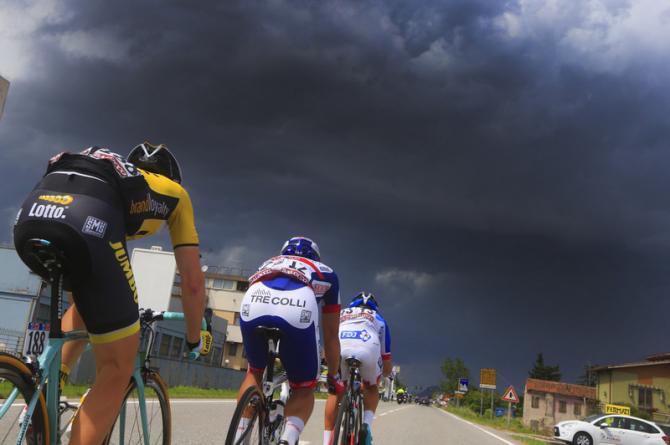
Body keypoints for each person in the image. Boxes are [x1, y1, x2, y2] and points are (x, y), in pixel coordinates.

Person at [13, 143, 209, 444]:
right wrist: (195, 338)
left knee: (83, 309)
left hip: (33, 213)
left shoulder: (121, 179)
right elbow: (193, 283)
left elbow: (90, 293)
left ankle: (43, 390)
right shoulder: (175, 194)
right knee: (118, 366)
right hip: (89, 220)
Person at [235, 236, 342, 445]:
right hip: (298, 306)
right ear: (315, 257)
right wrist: (333, 375)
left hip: (256, 300)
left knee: (255, 371)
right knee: (303, 388)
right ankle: (289, 438)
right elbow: (330, 336)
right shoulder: (326, 271)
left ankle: (240, 436)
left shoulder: (269, 262)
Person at [323, 292, 392, 445]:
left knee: (335, 390)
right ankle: (366, 426)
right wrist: (382, 375)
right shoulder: (379, 319)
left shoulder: (342, 313)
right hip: (368, 346)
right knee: (371, 387)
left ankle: (326, 439)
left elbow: (329, 337)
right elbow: (386, 358)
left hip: (341, 344)